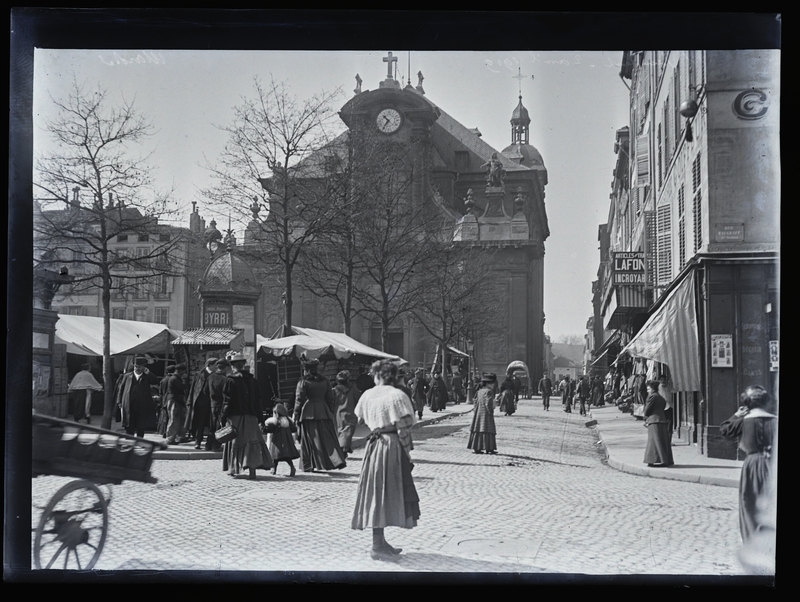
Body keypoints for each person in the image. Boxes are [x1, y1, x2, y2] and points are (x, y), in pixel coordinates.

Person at [352, 360, 420, 561]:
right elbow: (404, 426)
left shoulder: (367, 395)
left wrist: (377, 421)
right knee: (388, 492)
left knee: (376, 491)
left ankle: (380, 541)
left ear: (377, 375)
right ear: (392, 376)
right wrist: (407, 453)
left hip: (373, 446)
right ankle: (376, 546)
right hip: (391, 445)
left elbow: (360, 419)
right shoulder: (397, 396)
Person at [720, 385, 777, 544]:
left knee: (749, 502)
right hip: (773, 464)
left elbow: (725, 430)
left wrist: (736, 415)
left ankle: (753, 540)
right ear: (766, 401)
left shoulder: (743, 422)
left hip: (752, 465)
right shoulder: (775, 420)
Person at [221, 353, 273, 479]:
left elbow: (227, 401)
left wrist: (223, 417)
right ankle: (252, 470)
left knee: (235, 441)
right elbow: (258, 401)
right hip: (251, 416)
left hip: (235, 416)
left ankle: (233, 468)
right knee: (251, 442)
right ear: (243, 365)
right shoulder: (253, 381)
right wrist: (260, 418)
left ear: (233, 366)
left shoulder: (230, 381)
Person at [293, 358, 347, 473]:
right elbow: (330, 398)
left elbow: (299, 400)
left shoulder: (303, 382)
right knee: (327, 438)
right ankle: (336, 460)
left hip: (308, 412)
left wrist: (295, 415)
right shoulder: (325, 381)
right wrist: (329, 411)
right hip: (324, 411)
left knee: (309, 440)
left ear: (306, 370)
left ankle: (309, 465)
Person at [116, 356, 161, 438]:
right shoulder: (127, 376)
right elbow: (121, 389)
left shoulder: (147, 376)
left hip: (142, 404)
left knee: (141, 424)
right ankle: (129, 442)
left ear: (144, 367)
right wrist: (119, 401)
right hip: (129, 403)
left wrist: (149, 373)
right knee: (129, 424)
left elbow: (156, 381)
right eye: (136, 366)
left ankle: (140, 441)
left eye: (139, 367)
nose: (137, 368)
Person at [186, 357, 217, 449]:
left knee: (213, 424)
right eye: (215, 365)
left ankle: (210, 443)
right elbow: (194, 388)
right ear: (210, 365)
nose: (217, 367)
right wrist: (190, 401)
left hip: (212, 403)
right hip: (201, 403)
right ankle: (198, 441)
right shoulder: (200, 374)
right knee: (200, 423)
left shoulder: (216, 375)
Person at [642, 380, 674, 467]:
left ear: (652, 389)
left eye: (648, 389)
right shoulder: (661, 398)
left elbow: (647, 409)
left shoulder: (652, 397)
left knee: (653, 441)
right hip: (662, 420)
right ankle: (666, 459)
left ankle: (653, 460)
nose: (647, 391)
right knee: (662, 441)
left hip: (654, 421)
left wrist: (645, 417)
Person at [263, 403, 299, 477]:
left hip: (277, 441)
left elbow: (270, 429)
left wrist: (264, 428)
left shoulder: (276, 421)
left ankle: (274, 469)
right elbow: (294, 429)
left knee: (275, 456)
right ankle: (291, 467)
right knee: (286, 456)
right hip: (287, 441)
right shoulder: (288, 420)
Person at [468, 374, 498, 454]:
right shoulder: (489, 392)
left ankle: (477, 447)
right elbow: (488, 403)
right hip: (486, 414)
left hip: (478, 413)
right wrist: (491, 410)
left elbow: (475, 402)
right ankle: (489, 447)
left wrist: (476, 411)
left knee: (478, 428)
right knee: (488, 429)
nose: (494, 385)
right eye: (492, 383)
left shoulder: (479, 391)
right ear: (488, 384)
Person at [333, 370, 359, 456]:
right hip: (350, 413)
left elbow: (331, 401)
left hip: (337, 414)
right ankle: (344, 449)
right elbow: (358, 401)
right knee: (348, 432)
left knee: (340, 431)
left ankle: (345, 447)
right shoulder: (353, 389)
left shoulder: (334, 390)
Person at [205, 359, 230, 451]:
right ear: (226, 368)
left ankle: (208, 444)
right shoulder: (225, 379)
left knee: (212, 426)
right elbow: (227, 394)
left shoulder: (210, 377)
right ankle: (216, 445)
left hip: (212, 404)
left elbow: (205, 391)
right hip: (221, 404)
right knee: (220, 426)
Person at [165, 363, 189, 445]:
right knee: (174, 419)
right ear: (181, 371)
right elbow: (182, 387)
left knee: (180, 419)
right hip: (174, 400)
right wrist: (185, 380)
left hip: (178, 400)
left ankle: (180, 436)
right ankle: (170, 438)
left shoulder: (176, 378)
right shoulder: (174, 378)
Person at [658, 375, 674, 441]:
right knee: (663, 425)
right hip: (662, 408)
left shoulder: (668, 387)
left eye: (664, 379)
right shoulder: (658, 388)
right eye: (661, 380)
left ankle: (669, 440)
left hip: (669, 407)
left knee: (670, 425)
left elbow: (672, 392)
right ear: (659, 381)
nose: (663, 381)